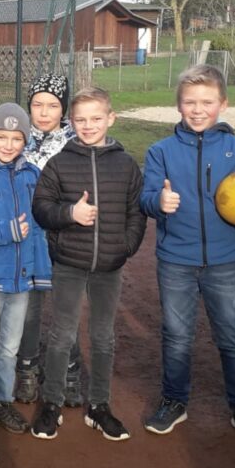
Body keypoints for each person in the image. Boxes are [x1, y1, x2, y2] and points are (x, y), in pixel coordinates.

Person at [139, 65, 235, 446]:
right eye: (189, 102)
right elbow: (144, 198)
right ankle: (174, 401)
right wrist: (158, 202)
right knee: (176, 336)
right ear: (178, 106)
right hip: (175, 260)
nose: (197, 109)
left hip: (226, 261)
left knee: (233, 338)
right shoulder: (161, 151)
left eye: (206, 102)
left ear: (222, 103)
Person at [30, 87, 146, 441]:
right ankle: (51, 403)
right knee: (62, 334)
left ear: (111, 119)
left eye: (96, 118)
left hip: (109, 266)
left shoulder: (125, 163)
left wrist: (125, 247)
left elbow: (136, 212)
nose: (88, 125)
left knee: (103, 337)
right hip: (68, 262)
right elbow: (41, 208)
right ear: (71, 123)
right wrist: (70, 214)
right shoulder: (60, 162)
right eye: (80, 120)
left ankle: (99, 406)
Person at [0, 103, 51, 435]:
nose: (8, 144)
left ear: (25, 140)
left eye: (16, 138)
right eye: (1, 137)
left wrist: (41, 270)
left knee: (8, 347)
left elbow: (39, 228)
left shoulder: (32, 174)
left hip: (22, 279)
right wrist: (5, 232)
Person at [7, 73, 81, 406]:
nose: (44, 111)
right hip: (28, 239)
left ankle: (70, 371)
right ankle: (27, 370)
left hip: (65, 237)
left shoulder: (76, 143)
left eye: (52, 105)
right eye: (37, 104)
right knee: (30, 312)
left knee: (66, 311)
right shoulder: (16, 140)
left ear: (63, 108)